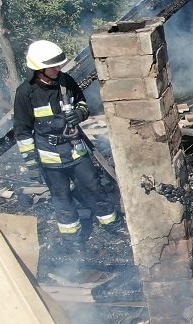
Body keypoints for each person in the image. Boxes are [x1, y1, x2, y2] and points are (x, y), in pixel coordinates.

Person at [13, 40, 119, 244]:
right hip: (50, 157)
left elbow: (82, 103)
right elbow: (23, 131)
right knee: (62, 199)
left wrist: (79, 114)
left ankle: (111, 224)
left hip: (76, 151)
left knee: (94, 188)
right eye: (53, 66)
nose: (57, 69)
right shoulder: (25, 93)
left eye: (59, 65)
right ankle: (73, 241)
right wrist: (31, 163)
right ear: (39, 69)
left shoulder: (66, 82)